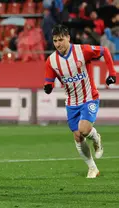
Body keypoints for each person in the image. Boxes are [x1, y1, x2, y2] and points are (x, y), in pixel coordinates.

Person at [44, 24, 117, 178]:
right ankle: (92, 168)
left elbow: (105, 51)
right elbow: (48, 80)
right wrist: (48, 87)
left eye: (61, 40)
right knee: (78, 136)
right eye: (55, 41)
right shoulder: (51, 61)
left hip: (89, 97)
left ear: (68, 38)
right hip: (71, 102)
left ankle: (96, 137)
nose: (58, 44)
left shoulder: (82, 51)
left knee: (84, 129)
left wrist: (112, 72)